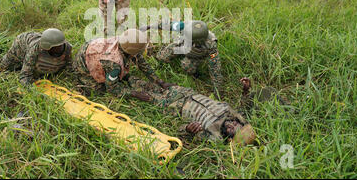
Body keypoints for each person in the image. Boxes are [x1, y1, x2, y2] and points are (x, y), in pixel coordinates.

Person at [126, 77, 256, 145]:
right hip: (186, 93)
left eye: (233, 129)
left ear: (229, 139)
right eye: (237, 124)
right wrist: (245, 90)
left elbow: (182, 131)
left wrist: (188, 128)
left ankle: (119, 87)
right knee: (146, 84)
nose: (232, 124)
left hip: (174, 106)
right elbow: (244, 106)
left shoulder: (214, 135)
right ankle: (126, 76)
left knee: (143, 94)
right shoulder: (233, 115)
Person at [73, 28, 173, 99]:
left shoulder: (125, 42)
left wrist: (159, 82)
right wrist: (135, 94)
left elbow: (142, 64)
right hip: (83, 65)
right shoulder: (114, 65)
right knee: (100, 91)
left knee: (123, 75)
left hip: (94, 51)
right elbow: (112, 88)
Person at [141, 20, 223, 91]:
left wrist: (217, 91)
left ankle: (196, 74)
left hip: (196, 54)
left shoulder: (211, 45)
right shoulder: (186, 26)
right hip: (181, 45)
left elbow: (215, 69)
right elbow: (167, 24)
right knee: (161, 57)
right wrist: (149, 26)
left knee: (187, 66)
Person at [0, 28, 72, 86]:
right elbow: (25, 75)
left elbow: (68, 68)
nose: (59, 48)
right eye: (54, 48)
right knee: (2, 67)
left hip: (33, 41)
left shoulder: (67, 48)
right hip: (21, 43)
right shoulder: (35, 49)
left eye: (59, 46)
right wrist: (30, 88)